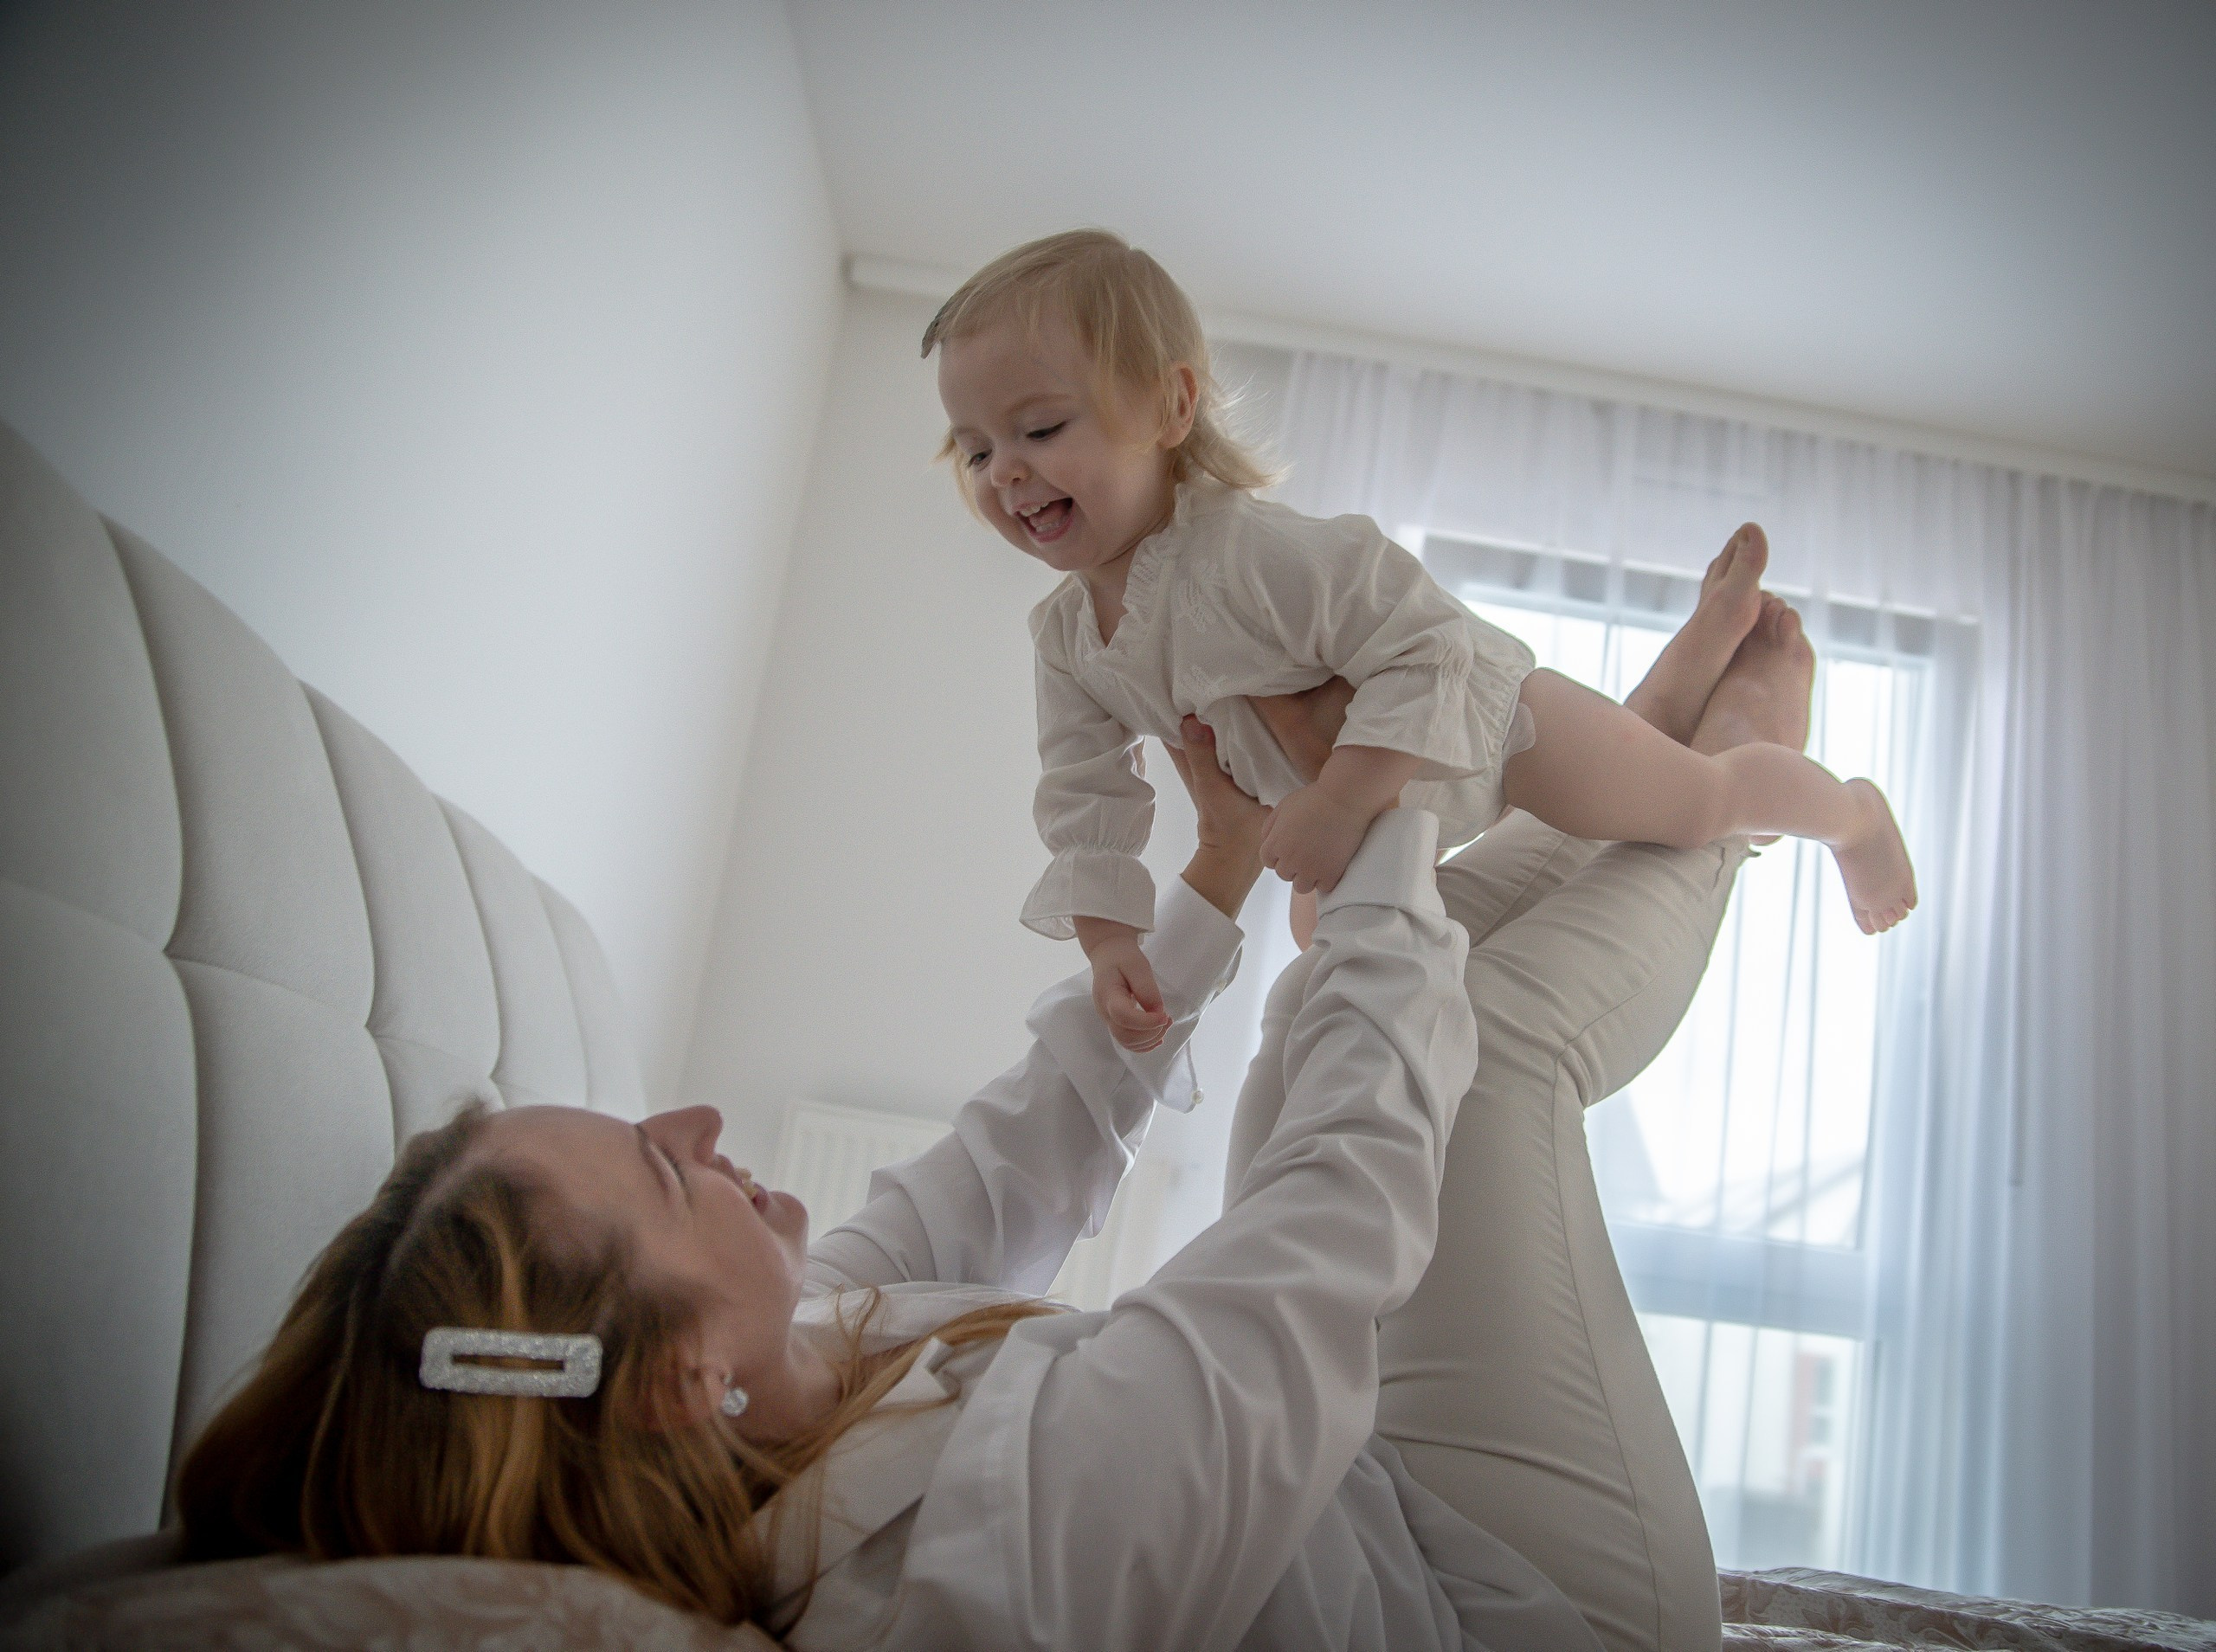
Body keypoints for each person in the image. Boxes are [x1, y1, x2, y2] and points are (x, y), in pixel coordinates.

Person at [175, 578, 1817, 1651]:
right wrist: (1380, 798)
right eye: (664, 1170)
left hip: (1380, 1492)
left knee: (1324, 1008)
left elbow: (1018, 1151)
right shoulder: (961, 1583)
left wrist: (1233, 861)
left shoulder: (796, 1348)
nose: (692, 1114)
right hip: (1523, 1598)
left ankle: (1645, 780)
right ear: (677, 1375)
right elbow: (1327, 1238)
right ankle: (1722, 802)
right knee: (1491, 1056)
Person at [927, 228, 1913, 1051]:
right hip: (1356, 810)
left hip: (1485, 726)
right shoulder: (1064, 640)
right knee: (1327, 965)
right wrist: (1108, 943)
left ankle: (1852, 819)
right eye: (975, 449)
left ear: (1170, 407)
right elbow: (1084, 794)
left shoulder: (1246, 555)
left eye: (1041, 429)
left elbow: (1430, 645)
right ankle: (1687, 665)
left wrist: (1341, 795)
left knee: (1694, 806)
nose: (1004, 472)